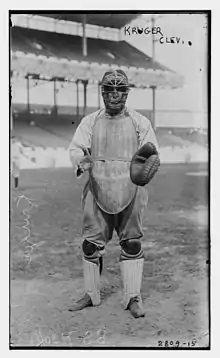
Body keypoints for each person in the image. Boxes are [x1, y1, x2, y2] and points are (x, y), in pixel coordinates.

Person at [68, 69, 159, 318]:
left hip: (131, 189)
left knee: (131, 242)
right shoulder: (90, 121)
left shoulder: (140, 122)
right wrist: (81, 160)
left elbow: (151, 152)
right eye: (110, 89)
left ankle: (132, 297)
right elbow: (76, 148)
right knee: (90, 245)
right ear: (103, 92)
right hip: (97, 187)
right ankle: (91, 294)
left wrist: (149, 164)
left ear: (127, 93)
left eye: (120, 89)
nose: (115, 94)